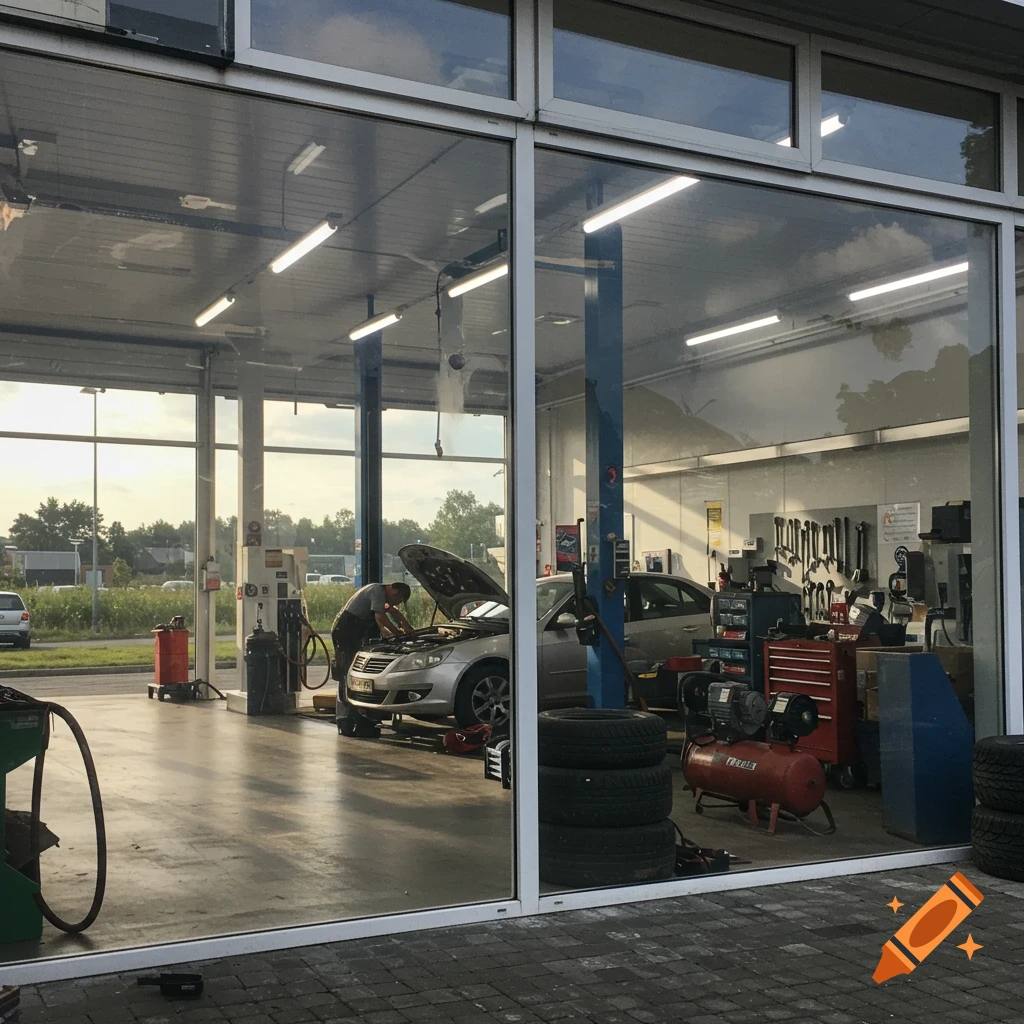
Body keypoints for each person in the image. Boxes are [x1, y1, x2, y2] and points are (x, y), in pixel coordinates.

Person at [332, 581, 413, 738]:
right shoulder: (376, 591)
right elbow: (380, 615)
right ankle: (345, 718)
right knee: (347, 674)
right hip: (345, 632)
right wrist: (397, 633)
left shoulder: (383, 595)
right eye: (397, 600)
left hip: (355, 632)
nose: (395, 604)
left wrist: (408, 627)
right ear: (394, 591)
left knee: (359, 672)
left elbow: (393, 612)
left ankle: (359, 715)